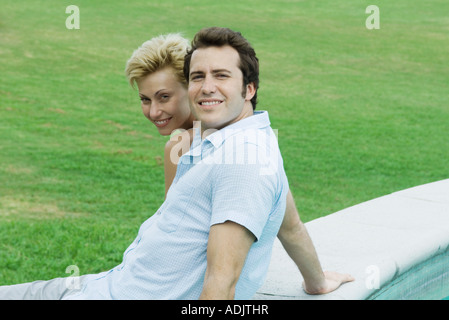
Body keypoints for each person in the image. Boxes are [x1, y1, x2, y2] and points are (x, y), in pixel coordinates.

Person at [0, 28, 352, 300]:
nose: (155, 111)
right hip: (111, 282)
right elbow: (288, 227)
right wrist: (317, 282)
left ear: (249, 89)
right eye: (199, 76)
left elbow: (221, 281)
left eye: (165, 97)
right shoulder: (226, 143)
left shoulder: (240, 158)